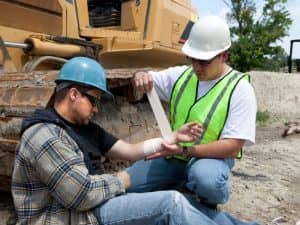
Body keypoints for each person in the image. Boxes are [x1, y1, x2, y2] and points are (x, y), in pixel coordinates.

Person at [11, 56, 250, 225]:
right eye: (94, 100)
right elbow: (81, 195)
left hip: (89, 206)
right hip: (66, 217)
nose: (96, 109)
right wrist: (122, 180)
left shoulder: (84, 128)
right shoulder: (45, 135)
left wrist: (172, 138)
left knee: (178, 202)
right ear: (74, 94)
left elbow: (131, 150)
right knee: (171, 204)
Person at [127, 15, 257, 208]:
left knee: (207, 181)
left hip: (209, 160)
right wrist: (139, 75)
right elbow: (145, 78)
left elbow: (233, 146)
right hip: (174, 156)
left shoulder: (240, 89)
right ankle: (181, 184)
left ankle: (209, 203)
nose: (196, 67)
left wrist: (187, 150)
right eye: (193, 59)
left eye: (203, 62)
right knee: (128, 185)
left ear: (224, 55)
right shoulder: (183, 75)